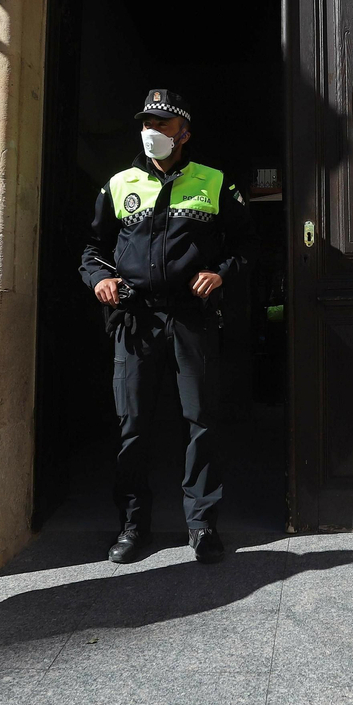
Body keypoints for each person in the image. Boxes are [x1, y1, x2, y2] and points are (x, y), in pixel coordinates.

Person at [80, 89, 257, 565]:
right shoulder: (119, 184)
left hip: (191, 317)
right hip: (136, 320)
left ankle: (201, 525)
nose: (152, 132)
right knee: (133, 424)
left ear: (184, 134)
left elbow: (244, 245)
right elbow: (93, 249)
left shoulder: (214, 182)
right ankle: (134, 524)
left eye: (162, 124)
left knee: (200, 421)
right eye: (146, 123)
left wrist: (221, 273)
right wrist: (100, 279)